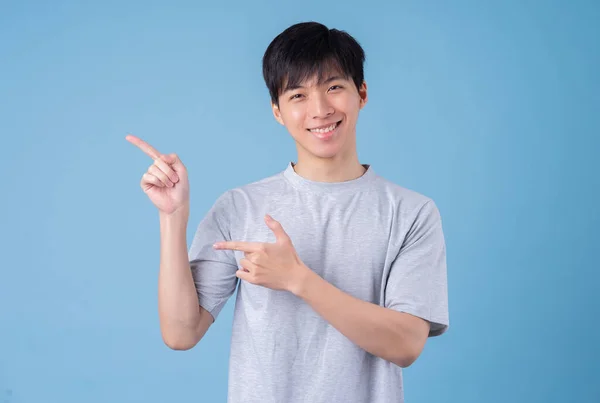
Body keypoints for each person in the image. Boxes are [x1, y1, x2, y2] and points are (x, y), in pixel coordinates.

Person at [126, 21, 449, 403]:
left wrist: (299, 280)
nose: (320, 110)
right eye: (298, 95)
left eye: (334, 87)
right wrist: (172, 217)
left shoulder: (412, 213)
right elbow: (181, 333)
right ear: (277, 111)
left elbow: (406, 344)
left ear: (361, 93)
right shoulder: (240, 206)